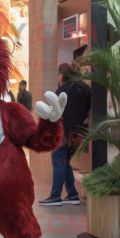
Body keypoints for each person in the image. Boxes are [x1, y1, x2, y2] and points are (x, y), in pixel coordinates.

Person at [39, 63, 91, 206]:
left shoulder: (62, 89)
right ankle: (73, 195)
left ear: (62, 75)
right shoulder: (86, 89)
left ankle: (55, 196)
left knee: (59, 163)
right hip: (78, 133)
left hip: (62, 133)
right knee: (66, 162)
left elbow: (54, 114)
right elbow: (89, 113)